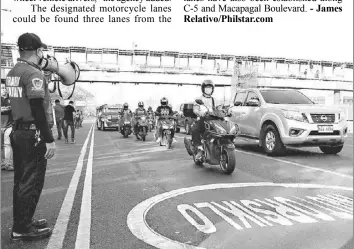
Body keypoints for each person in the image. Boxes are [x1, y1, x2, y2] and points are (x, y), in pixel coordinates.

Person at [6, 33, 55, 241]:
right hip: (32, 133)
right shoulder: (33, 74)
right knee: (32, 181)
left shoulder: (13, 73)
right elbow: (36, 108)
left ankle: (23, 220)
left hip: (19, 131)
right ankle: (22, 229)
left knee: (21, 180)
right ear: (37, 51)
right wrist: (49, 139)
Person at [192, 79, 217, 160]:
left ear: (212, 89)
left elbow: (219, 109)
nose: (208, 89)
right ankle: (199, 149)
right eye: (207, 87)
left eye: (210, 88)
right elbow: (195, 110)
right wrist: (200, 113)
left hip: (214, 120)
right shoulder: (198, 99)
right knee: (195, 129)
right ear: (203, 88)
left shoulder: (215, 100)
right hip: (202, 120)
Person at [1, 83, 14, 171]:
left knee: (7, 144)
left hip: (9, 125)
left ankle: (7, 163)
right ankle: (2, 163)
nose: (4, 90)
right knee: (2, 146)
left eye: (5, 88)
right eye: (2, 88)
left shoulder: (11, 99)